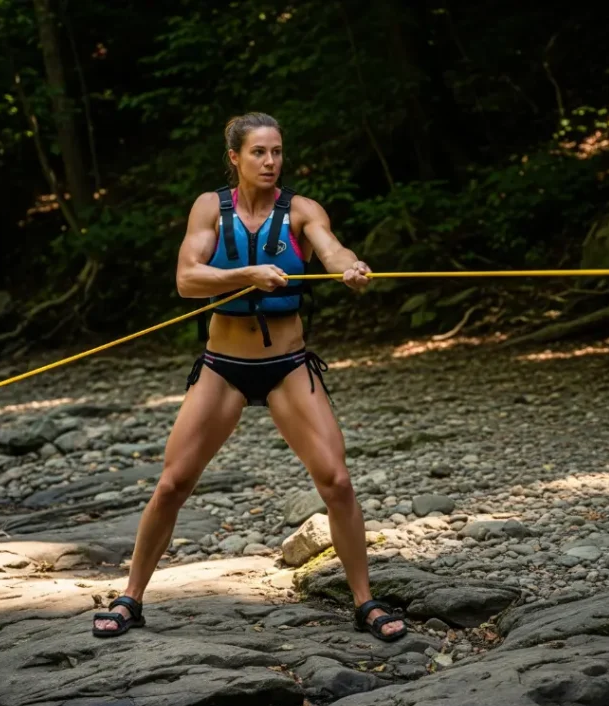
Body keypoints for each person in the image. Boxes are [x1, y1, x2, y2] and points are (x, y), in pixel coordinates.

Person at [91, 112, 408, 643]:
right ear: (235, 158)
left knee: (337, 481)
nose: (270, 161)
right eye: (259, 152)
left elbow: (332, 250)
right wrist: (248, 273)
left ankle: (364, 602)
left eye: (277, 152)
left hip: (287, 367)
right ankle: (131, 598)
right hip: (224, 369)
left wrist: (350, 267)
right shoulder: (209, 209)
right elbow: (187, 279)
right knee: (172, 484)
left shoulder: (302, 210)